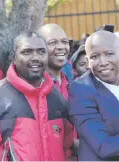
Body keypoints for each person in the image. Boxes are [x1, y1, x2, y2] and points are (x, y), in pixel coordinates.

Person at [0, 31, 71, 161]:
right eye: (27, 52)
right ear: (13, 57)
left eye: (41, 51)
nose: (36, 57)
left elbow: (67, 147)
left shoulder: (57, 98)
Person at [69, 30, 119, 161]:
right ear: (88, 61)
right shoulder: (81, 89)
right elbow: (104, 146)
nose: (103, 62)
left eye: (109, 54)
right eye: (95, 56)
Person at [37, 24, 76, 159]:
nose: (61, 47)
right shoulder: (34, 89)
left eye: (64, 42)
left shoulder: (74, 86)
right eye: (52, 42)